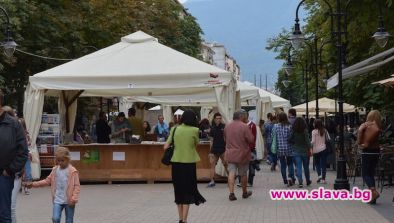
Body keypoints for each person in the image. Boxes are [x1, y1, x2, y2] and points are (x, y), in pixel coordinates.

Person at [163, 110, 205, 223]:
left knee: (179, 190)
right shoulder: (195, 130)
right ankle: (185, 220)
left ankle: (180, 218)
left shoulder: (174, 129)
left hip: (176, 163)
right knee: (188, 190)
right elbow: (196, 144)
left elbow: (165, 146)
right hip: (189, 164)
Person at [25, 147, 80, 223]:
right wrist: (33, 184)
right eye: (58, 160)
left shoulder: (73, 171)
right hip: (57, 199)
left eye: (62, 160)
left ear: (68, 159)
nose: (60, 163)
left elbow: (77, 186)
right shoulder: (55, 170)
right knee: (55, 218)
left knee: (69, 220)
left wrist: (74, 198)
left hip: (69, 200)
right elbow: (47, 181)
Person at [0, 90, 29, 223]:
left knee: (4, 214)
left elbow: (23, 152)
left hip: (4, 177)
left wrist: (9, 170)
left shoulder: (14, 124)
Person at [224, 110, 254, 201]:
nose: (245, 118)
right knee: (243, 174)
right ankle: (244, 193)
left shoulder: (227, 126)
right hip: (242, 154)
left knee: (231, 173)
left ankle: (231, 193)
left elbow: (225, 139)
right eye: (244, 116)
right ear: (241, 117)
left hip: (230, 153)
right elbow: (251, 139)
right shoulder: (244, 126)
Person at [357, 110, 382, 204]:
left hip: (367, 152)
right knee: (370, 173)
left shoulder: (367, 126)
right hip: (376, 152)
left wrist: (360, 130)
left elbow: (359, 141)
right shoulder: (378, 126)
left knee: (365, 174)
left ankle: (374, 192)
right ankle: (373, 197)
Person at [272, 112, 295, 186]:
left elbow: (273, 136)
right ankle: (290, 177)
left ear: (279, 118)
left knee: (283, 165)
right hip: (289, 148)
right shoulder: (289, 126)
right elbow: (292, 137)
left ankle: (285, 180)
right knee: (290, 163)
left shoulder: (275, 126)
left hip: (280, 148)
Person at [289, 117, 312, 188]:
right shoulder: (305, 130)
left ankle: (300, 182)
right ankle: (308, 181)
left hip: (296, 151)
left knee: (298, 167)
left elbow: (290, 139)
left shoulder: (293, 130)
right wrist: (310, 148)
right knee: (306, 167)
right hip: (305, 151)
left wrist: (293, 143)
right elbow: (307, 141)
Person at [207, 113, 227, 188]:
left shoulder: (224, 127)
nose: (219, 120)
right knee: (212, 165)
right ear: (214, 119)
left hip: (223, 149)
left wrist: (227, 149)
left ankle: (230, 179)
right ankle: (212, 181)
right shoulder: (212, 128)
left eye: (220, 118)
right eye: (217, 118)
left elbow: (226, 138)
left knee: (226, 164)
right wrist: (210, 151)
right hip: (214, 149)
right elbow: (211, 140)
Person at [311, 119, 329, 184]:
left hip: (316, 150)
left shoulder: (313, 131)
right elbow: (328, 139)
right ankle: (323, 179)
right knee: (323, 164)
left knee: (317, 163)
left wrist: (309, 145)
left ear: (315, 124)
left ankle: (319, 176)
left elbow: (313, 141)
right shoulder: (325, 130)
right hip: (324, 149)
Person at [245, 112, 257, 187]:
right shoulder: (241, 125)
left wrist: (251, 147)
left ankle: (250, 182)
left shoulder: (252, 125)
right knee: (241, 166)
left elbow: (254, 137)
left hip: (250, 149)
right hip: (241, 149)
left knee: (251, 166)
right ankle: (241, 181)